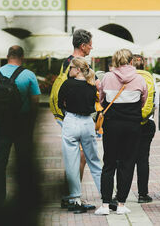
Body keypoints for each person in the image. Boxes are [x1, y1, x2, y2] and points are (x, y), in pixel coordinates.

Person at [0, 45, 41, 203]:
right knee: (23, 160)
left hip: (3, 124)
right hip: (23, 124)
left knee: (0, 162)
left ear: (7, 56)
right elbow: (35, 100)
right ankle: (24, 196)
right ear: (22, 57)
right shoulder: (29, 75)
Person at [95, 49, 148, 216]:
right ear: (131, 61)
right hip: (132, 125)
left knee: (109, 162)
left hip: (112, 125)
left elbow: (102, 99)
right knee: (127, 163)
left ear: (115, 61)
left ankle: (105, 204)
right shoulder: (140, 79)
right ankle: (121, 203)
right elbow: (143, 101)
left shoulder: (107, 77)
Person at [58, 57, 102, 213]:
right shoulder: (91, 86)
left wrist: (67, 113)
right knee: (94, 161)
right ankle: (106, 195)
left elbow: (59, 103)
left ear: (77, 69)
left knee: (71, 163)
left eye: (71, 68)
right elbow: (94, 104)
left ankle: (75, 198)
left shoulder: (67, 84)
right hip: (87, 122)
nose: (69, 70)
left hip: (70, 120)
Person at [132, 54, 157, 204]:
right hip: (146, 121)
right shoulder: (149, 77)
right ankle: (143, 194)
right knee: (143, 160)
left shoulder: (127, 77)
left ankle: (121, 194)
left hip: (129, 122)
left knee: (125, 160)